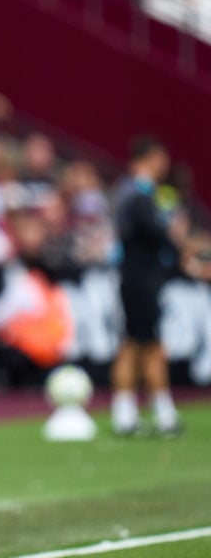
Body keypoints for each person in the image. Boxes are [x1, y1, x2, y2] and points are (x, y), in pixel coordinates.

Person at [109, 136, 182, 436]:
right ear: (148, 158)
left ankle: (130, 412)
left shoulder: (133, 194)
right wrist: (176, 239)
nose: (163, 165)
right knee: (145, 345)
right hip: (141, 280)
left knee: (137, 344)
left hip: (137, 278)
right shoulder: (138, 196)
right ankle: (159, 413)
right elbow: (157, 237)